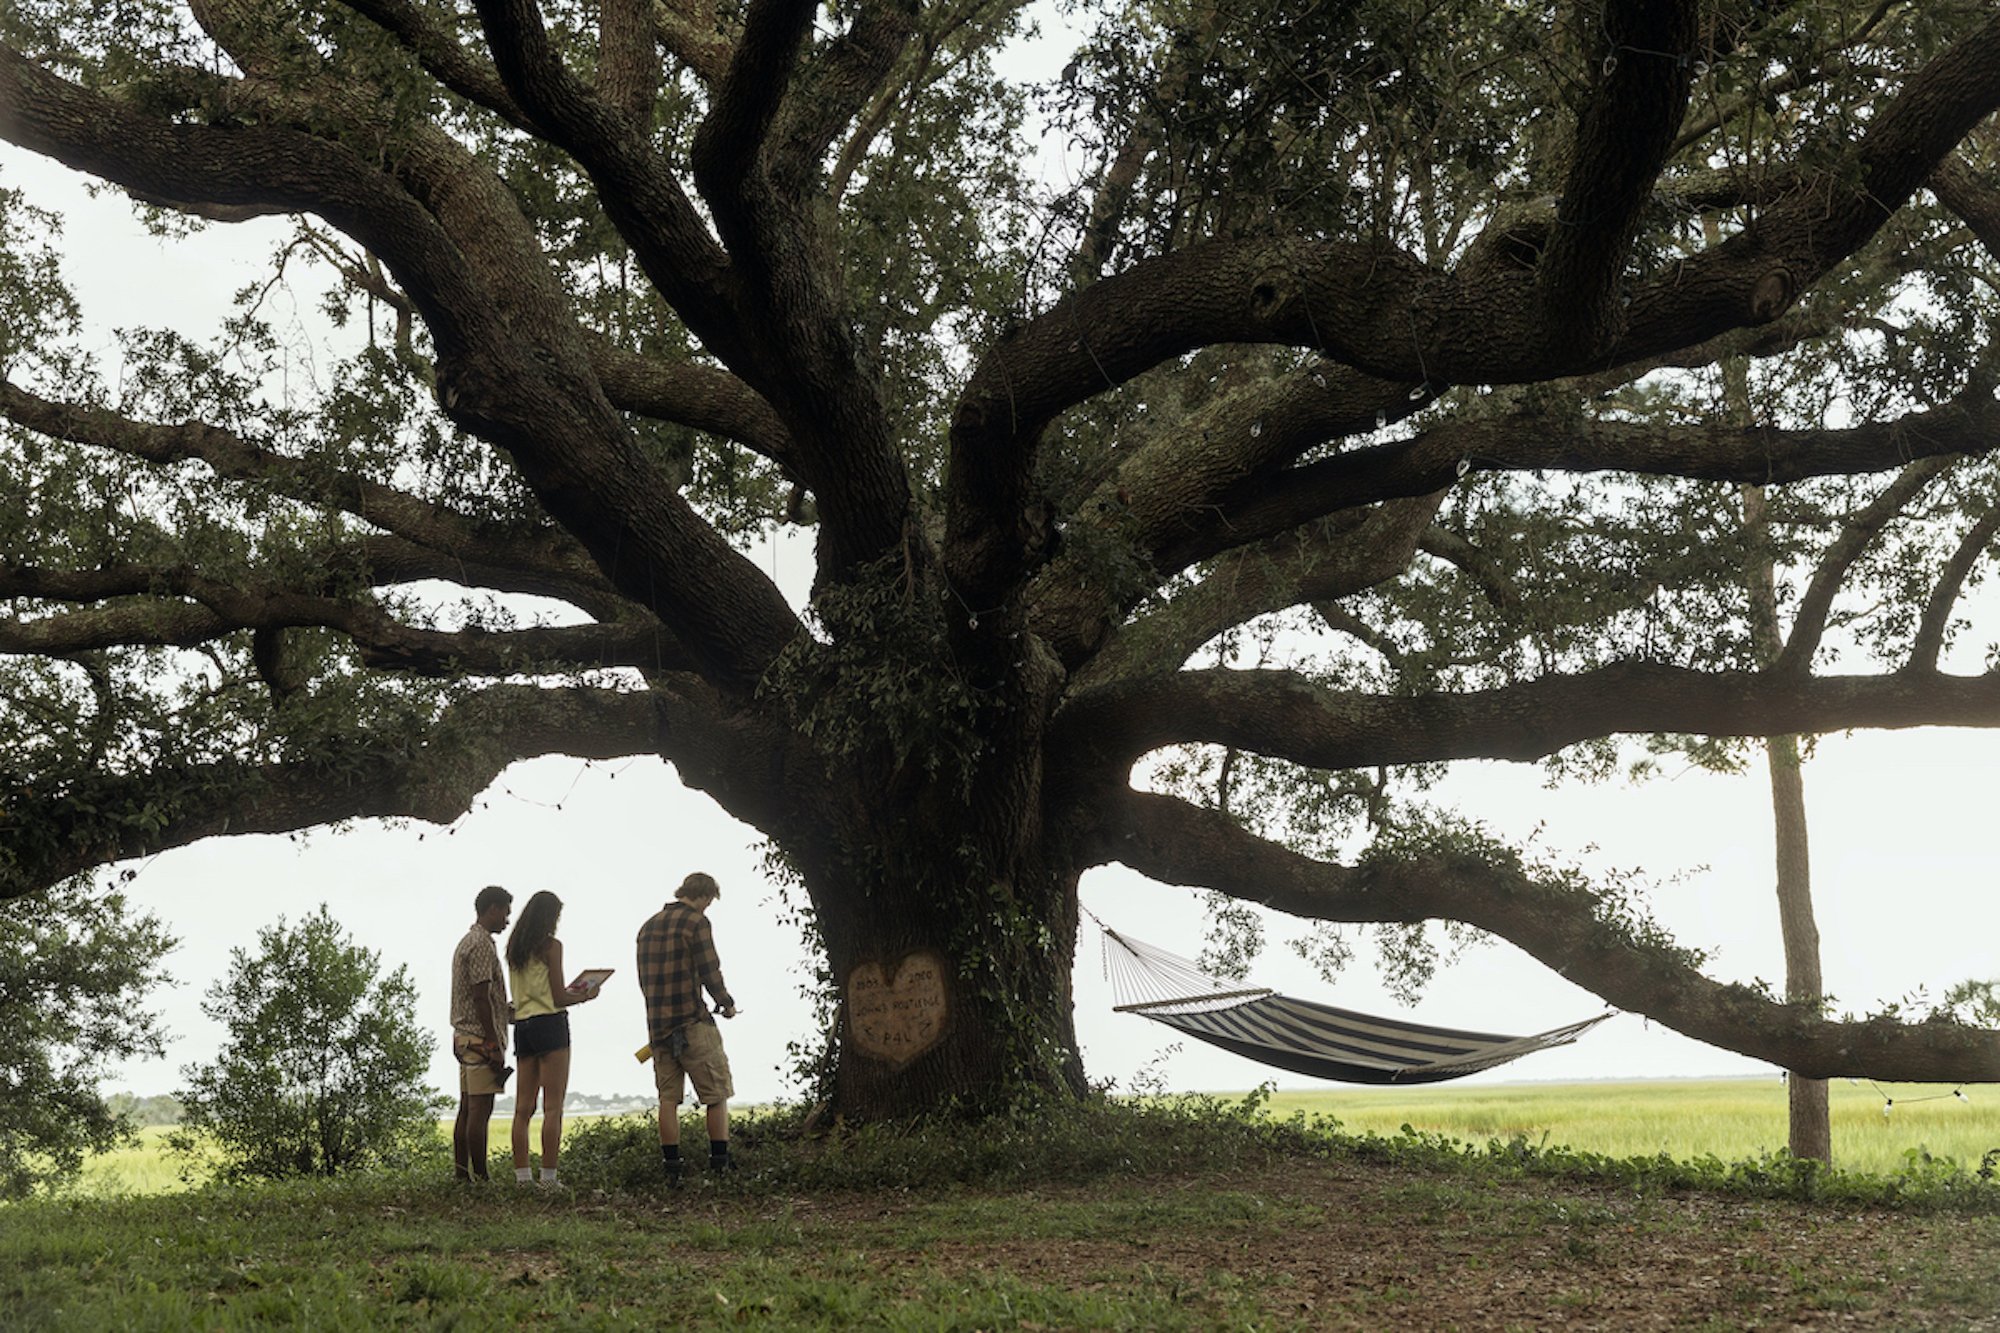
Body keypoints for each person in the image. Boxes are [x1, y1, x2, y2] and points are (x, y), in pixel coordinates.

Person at [636, 872, 738, 1183]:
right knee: (716, 1093)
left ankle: (672, 1167)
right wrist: (726, 1002)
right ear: (705, 896)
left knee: (668, 1098)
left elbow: (644, 981)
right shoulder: (697, 922)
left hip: (659, 1028)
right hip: (692, 1021)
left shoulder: (647, 926)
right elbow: (710, 969)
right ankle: (719, 1162)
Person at [503, 890, 601, 1188]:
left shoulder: (514, 948)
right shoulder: (551, 946)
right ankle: (548, 1177)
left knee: (522, 1108)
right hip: (550, 1024)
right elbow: (558, 996)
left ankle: (522, 1177)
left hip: (523, 1025)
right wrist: (586, 995)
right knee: (553, 1106)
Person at [449, 884, 512, 1182]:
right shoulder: (482, 945)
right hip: (478, 1038)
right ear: (492, 909)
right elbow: (481, 996)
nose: (507, 920)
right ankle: (481, 1177)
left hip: (463, 1036)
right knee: (480, 1109)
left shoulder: (466, 941)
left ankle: (462, 1175)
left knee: (466, 1108)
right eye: (505, 912)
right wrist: (493, 1041)